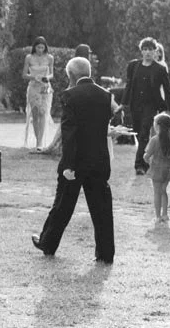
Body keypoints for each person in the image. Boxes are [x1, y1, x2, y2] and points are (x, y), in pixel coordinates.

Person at [31, 56, 122, 264]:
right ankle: (106, 253)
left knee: (63, 205)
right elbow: (103, 124)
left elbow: (69, 133)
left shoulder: (69, 96)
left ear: (71, 75)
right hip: (99, 159)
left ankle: (47, 243)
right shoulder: (105, 95)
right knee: (102, 208)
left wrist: (68, 165)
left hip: (76, 161)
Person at [121, 37, 170, 176]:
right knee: (139, 134)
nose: (147, 53)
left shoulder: (160, 69)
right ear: (141, 51)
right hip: (135, 105)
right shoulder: (133, 66)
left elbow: (168, 90)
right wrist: (123, 104)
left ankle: (140, 165)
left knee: (145, 133)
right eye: (145, 50)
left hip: (151, 106)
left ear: (155, 51)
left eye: (150, 50)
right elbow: (128, 86)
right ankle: (146, 159)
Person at [144, 112, 170, 223]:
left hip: (156, 170)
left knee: (157, 192)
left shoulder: (154, 140)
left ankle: (157, 216)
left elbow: (147, 155)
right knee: (164, 191)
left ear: (158, 126)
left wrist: (146, 159)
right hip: (168, 170)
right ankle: (165, 215)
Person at [23, 37, 55, 152]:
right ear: (34, 47)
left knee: (43, 112)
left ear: (45, 47)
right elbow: (24, 74)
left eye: (42, 47)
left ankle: (40, 142)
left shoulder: (50, 58)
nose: (40, 50)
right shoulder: (29, 58)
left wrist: (47, 77)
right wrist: (33, 77)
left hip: (45, 87)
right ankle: (38, 140)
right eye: (38, 47)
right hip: (33, 87)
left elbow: (52, 74)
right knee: (35, 114)